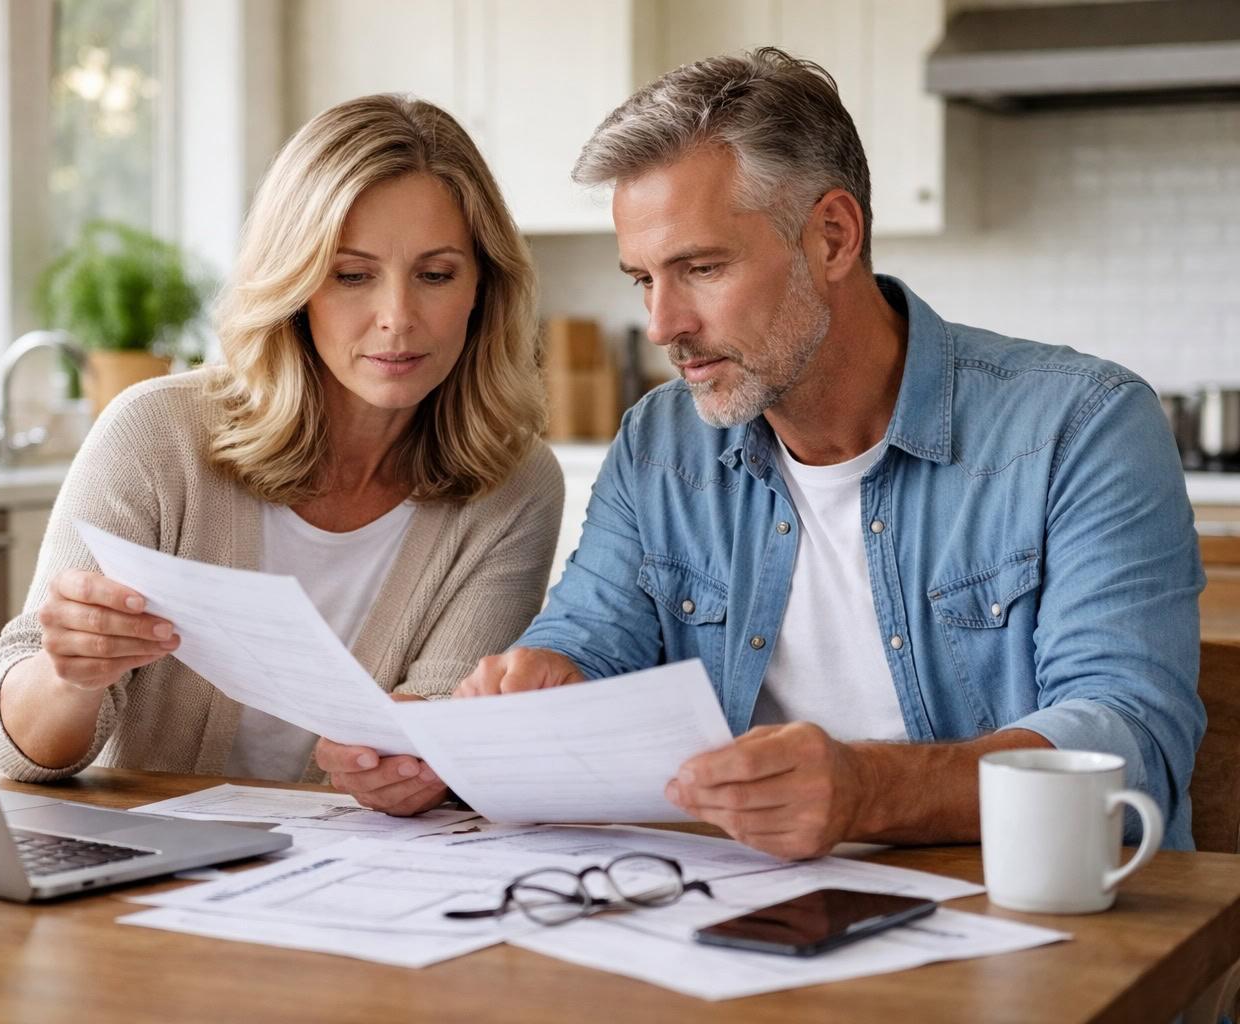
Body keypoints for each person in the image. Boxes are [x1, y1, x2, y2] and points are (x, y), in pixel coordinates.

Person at [443, 48, 1205, 858]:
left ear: (833, 237)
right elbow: (590, 643)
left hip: (1037, 928)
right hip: (751, 917)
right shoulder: (661, 444)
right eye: (642, 279)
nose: (663, 324)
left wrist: (867, 790)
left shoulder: (1080, 426)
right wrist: (534, 691)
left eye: (701, 268)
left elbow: (1128, 750)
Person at [0, 94, 562, 797]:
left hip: (350, 882)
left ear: (483, 290)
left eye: (435, 275)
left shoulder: (515, 483)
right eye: (352, 275)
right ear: (295, 287)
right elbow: (20, 750)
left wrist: (423, 763)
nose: (398, 319)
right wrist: (71, 675)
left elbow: (442, 723)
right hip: (141, 874)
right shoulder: (155, 434)